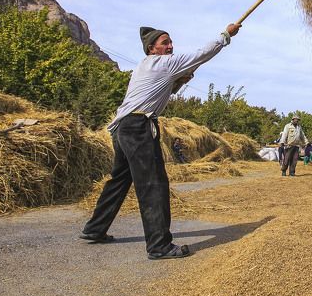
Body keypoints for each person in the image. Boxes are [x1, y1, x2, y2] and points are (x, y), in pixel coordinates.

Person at [81, 22, 241, 260]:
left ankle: (95, 229)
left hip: (123, 128)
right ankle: (159, 246)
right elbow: (202, 54)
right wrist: (225, 35)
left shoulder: (144, 67)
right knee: (153, 184)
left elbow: (169, 88)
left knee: (120, 180)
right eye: (165, 43)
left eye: (170, 42)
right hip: (138, 128)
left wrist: (182, 80)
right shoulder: (164, 63)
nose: (170, 46)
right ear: (151, 48)